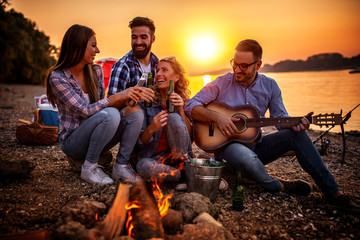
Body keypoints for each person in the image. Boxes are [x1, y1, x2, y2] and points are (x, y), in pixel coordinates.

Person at [184, 39, 360, 212]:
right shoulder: (222, 82)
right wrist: (217, 117)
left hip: (256, 145)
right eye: (234, 64)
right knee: (246, 157)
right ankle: (278, 186)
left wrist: (296, 125)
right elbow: (190, 105)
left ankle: (333, 193)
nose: (237, 70)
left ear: (258, 65)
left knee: (296, 136)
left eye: (244, 66)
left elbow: (280, 119)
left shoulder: (270, 86)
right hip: (227, 149)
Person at [46, 24, 154, 185]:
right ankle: (89, 168)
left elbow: (100, 108)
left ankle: (121, 166)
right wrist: (118, 96)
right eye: (93, 45)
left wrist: (128, 99)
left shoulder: (95, 71)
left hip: (98, 136)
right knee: (110, 113)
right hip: (73, 143)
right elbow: (85, 110)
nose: (97, 51)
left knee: (135, 112)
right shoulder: (57, 77)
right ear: (78, 46)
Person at [135, 57, 192, 184]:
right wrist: (151, 128)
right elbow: (140, 142)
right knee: (142, 165)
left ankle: (182, 171)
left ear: (176, 77)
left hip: (179, 158)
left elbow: (190, 138)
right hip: (155, 158)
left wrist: (181, 110)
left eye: (164, 70)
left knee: (173, 117)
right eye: (158, 70)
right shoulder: (146, 102)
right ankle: (185, 177)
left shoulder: (185, 102)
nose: (159, 74)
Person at [108, 16, 158, 96]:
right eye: (134, 37)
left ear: (153, 39)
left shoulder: (158, 65)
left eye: (143, 37)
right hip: (130, 108)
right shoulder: (122, 66)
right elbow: (111, 103)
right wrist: (129, 96)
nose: (138, 42)